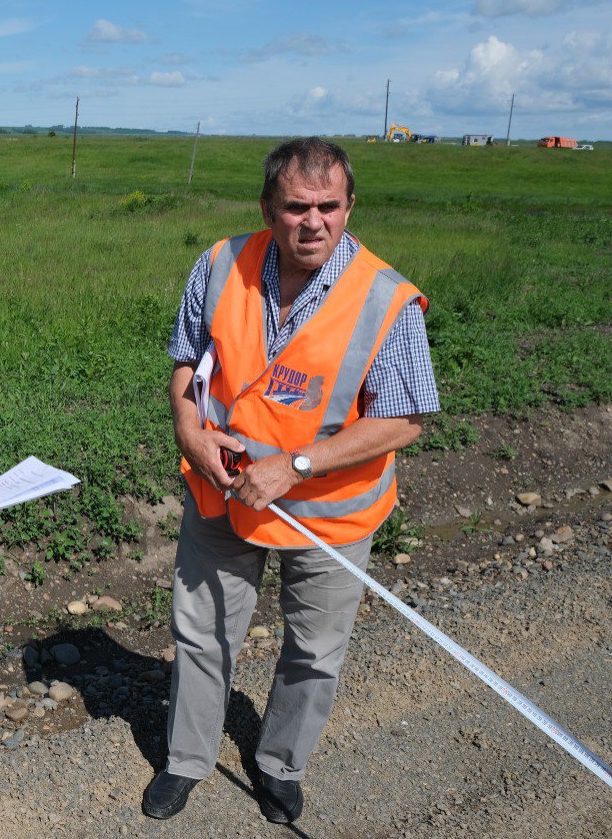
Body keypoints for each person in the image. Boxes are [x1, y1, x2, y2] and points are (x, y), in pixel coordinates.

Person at [145, 138, 439, 824]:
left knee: (314, 648)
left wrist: (297, 464)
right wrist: (190, 432)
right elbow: (187, 363)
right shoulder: (220, 264)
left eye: (329, 206)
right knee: (202, 631)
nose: (314, 222)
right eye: (296, 207)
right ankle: (187, 760)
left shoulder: (386, 299)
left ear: (349, 205)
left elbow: (403, 421)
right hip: (224, 491)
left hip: (329, 512)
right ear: (268, 208)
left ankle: (279, 765)